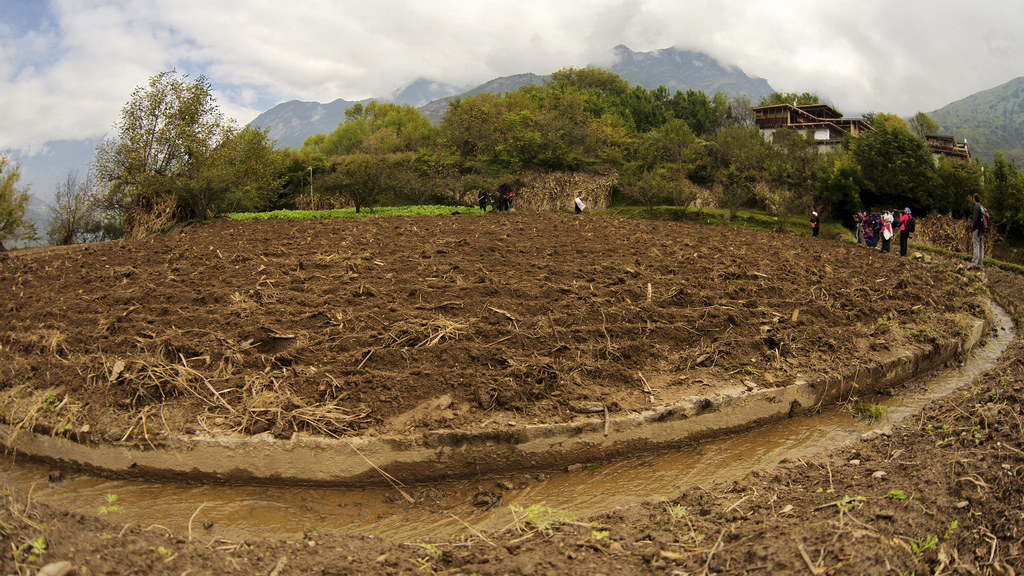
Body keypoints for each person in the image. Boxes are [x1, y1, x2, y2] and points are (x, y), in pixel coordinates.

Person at [970, 193, 986, 269]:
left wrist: (973, 228)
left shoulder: (976, 207)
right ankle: (980, 263)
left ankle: (974, 263)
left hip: (977, 229)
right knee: (981, 246)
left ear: (974, 199)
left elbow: (975, 219)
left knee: (976, 245)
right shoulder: (982, 207)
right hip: (982, 229)